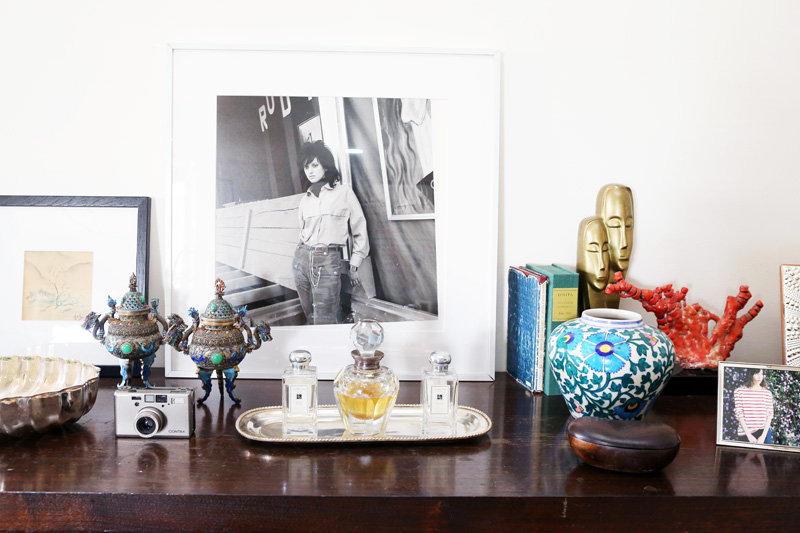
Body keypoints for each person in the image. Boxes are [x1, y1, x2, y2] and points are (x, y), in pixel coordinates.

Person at [292, 140, 369, 325]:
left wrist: (354, 265)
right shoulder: (305, 200)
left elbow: (360, 229)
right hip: (301, 259)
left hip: (326, 261)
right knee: (310, 317)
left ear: (325, 166)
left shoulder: (344, 193)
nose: (310, 171)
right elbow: (303, 232)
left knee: (325, 319)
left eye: (315, 165)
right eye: (306, 167)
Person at [734, 368, 774, 444]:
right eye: (757, 373)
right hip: (745, 433)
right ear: (750, 374)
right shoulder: (739, 392)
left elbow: (769, 415)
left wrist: (763, 437)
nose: (760, 377)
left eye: (761, 374)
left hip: (764, 432)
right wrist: (749, 435)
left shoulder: (767, 393)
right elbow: (739, 414)